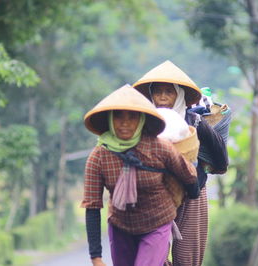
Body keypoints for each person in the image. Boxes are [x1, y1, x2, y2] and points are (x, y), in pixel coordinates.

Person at [81, 84, 200, 266]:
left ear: (142, 120)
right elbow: (92, 206)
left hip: (157, 223)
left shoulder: (158, 147)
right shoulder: (99, 156)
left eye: (132, 117)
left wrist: (188, 194)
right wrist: (96, 257)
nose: (126, 123)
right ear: (110, 120)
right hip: (121, 226)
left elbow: (189, 176)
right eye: (119, 116)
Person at [133, 60, 229, 266]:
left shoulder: (195, 121)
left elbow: (221, 159)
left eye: (169, 92)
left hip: (192, 193)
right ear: (151, 96)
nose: (163, 97)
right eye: (157, 92)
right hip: (154, 195)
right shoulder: (143, 123)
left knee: (187, 259)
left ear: (180, 95)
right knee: (152, 258)